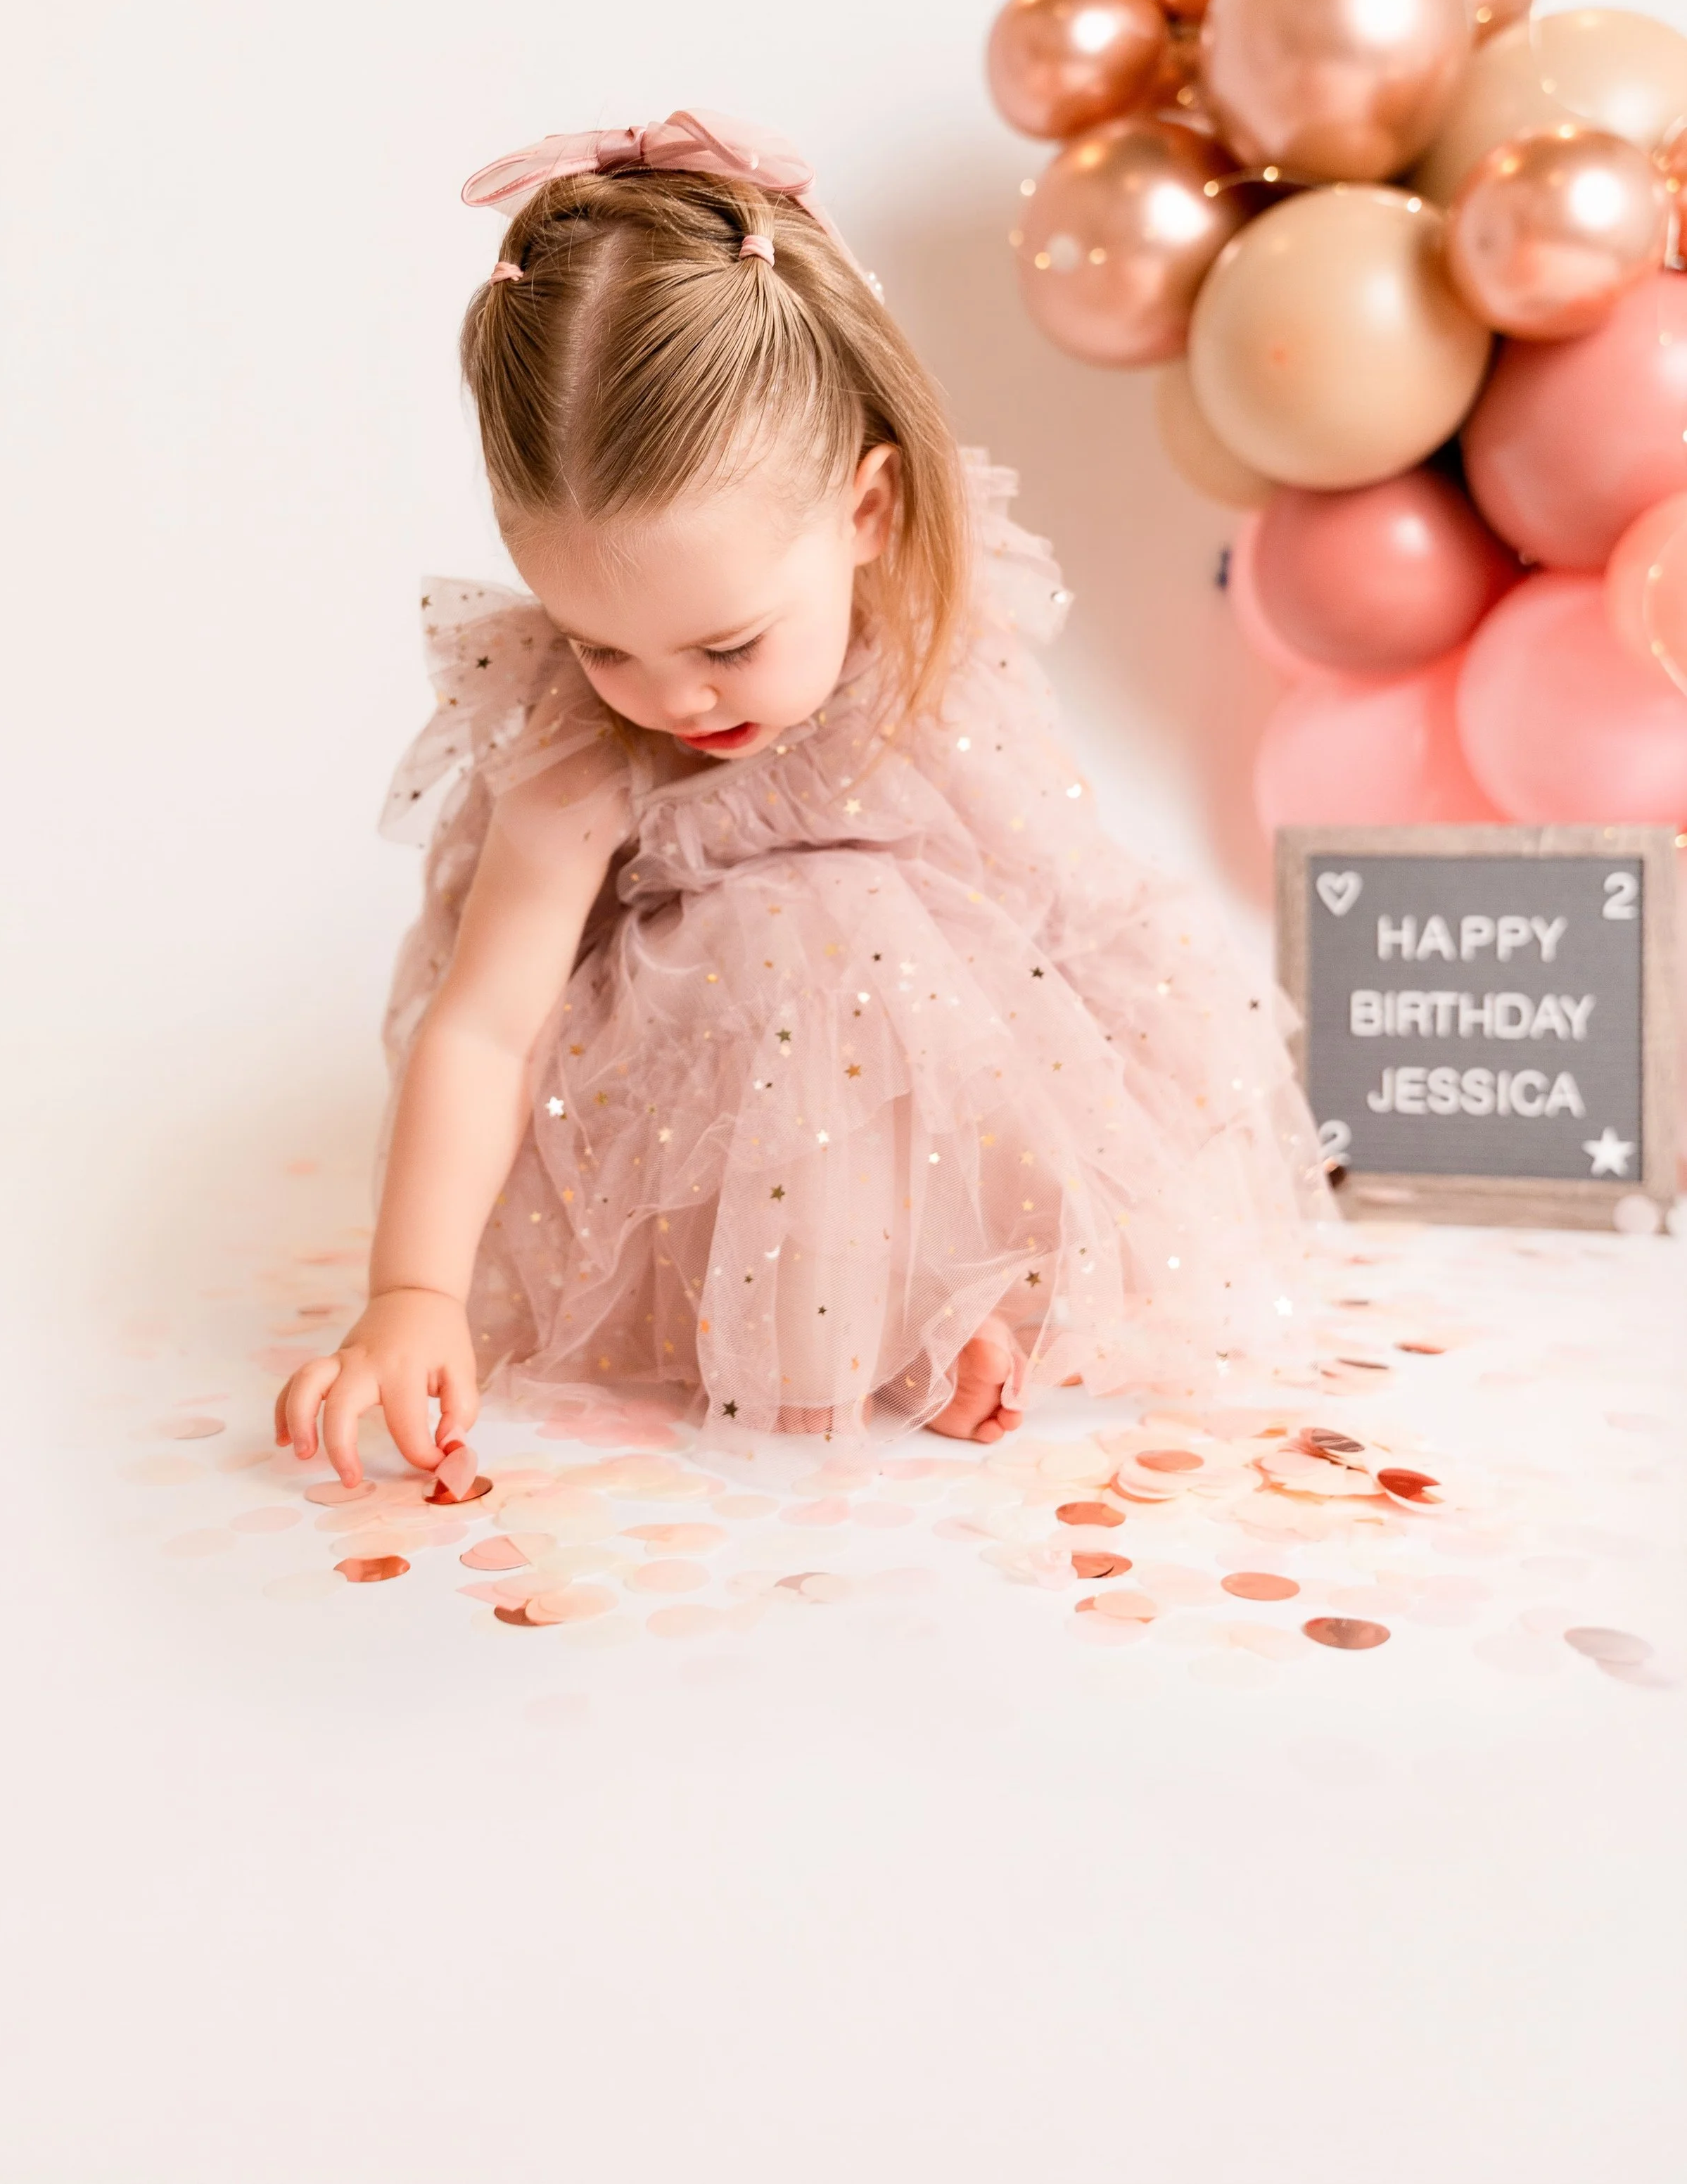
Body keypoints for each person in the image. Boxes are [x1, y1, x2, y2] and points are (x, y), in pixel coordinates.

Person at [276, 110, 1330, 1487]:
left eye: (726, 645)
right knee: (801, 933)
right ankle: (842, 1315)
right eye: (603, 647)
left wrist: (1043, 1218)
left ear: (866, 514)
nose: (674, 700)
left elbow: (1040, 924)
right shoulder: (582, 750)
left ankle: (955, 1288)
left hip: (928, 1073)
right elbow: (485, 1026)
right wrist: (411, 1292)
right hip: (676, 1135)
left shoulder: (935, 645)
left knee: (892, 942)